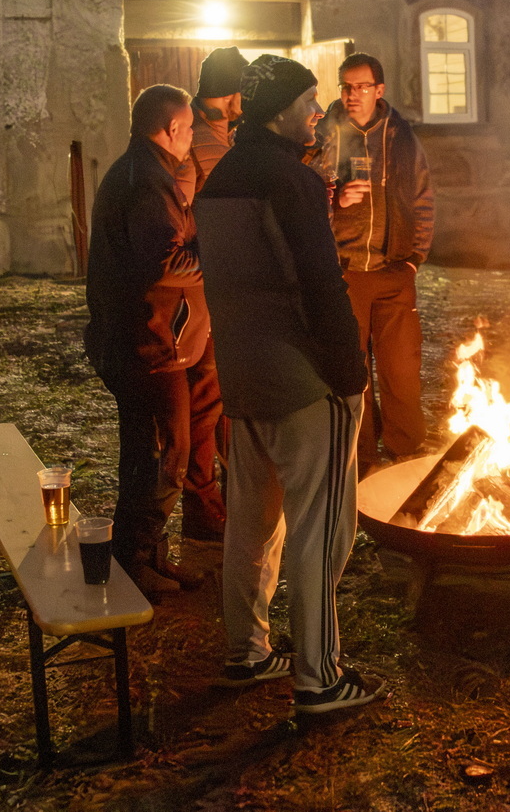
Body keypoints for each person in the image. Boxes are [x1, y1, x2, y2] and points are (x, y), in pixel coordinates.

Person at [194, 54, 385, 713]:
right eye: (307, 101)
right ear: (278, 109)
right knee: (320, 527)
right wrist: (348, 371)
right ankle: (319, 675)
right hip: (305, 382)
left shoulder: (219, 178)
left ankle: (247, 650)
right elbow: (319, 283)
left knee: (251, 521)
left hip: (242, 378)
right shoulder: (291, 180)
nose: (315, 113)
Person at [84, 84, 221, 594]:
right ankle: (135, 561)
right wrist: (217, 260)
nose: (191, 138)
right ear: (169, 129)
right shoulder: (146, 182)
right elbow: (162, 261)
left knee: (152, 453)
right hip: (145, 343)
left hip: (148, 339)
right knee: (165, 456)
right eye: (187, 129)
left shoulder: (145, 172)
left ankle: (151, 555)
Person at [311, 53, 435, 470]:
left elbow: (422, 199)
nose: (352, 95)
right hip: (345, 272)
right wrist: (336, 198)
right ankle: (360, 457)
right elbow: (304, 197)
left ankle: (406, 450)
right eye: (346, 86)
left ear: (379, 91)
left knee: (401, 368)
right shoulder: (323, 135)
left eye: (362, 86)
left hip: (394, 270)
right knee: (352, 371)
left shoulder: (400, 136)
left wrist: (414, 259)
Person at [176, 46, 248, 203]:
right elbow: (231, 204)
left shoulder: (214, 130)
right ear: (230, 95)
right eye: (246, 93)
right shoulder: (206, 144)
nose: (249, 101)